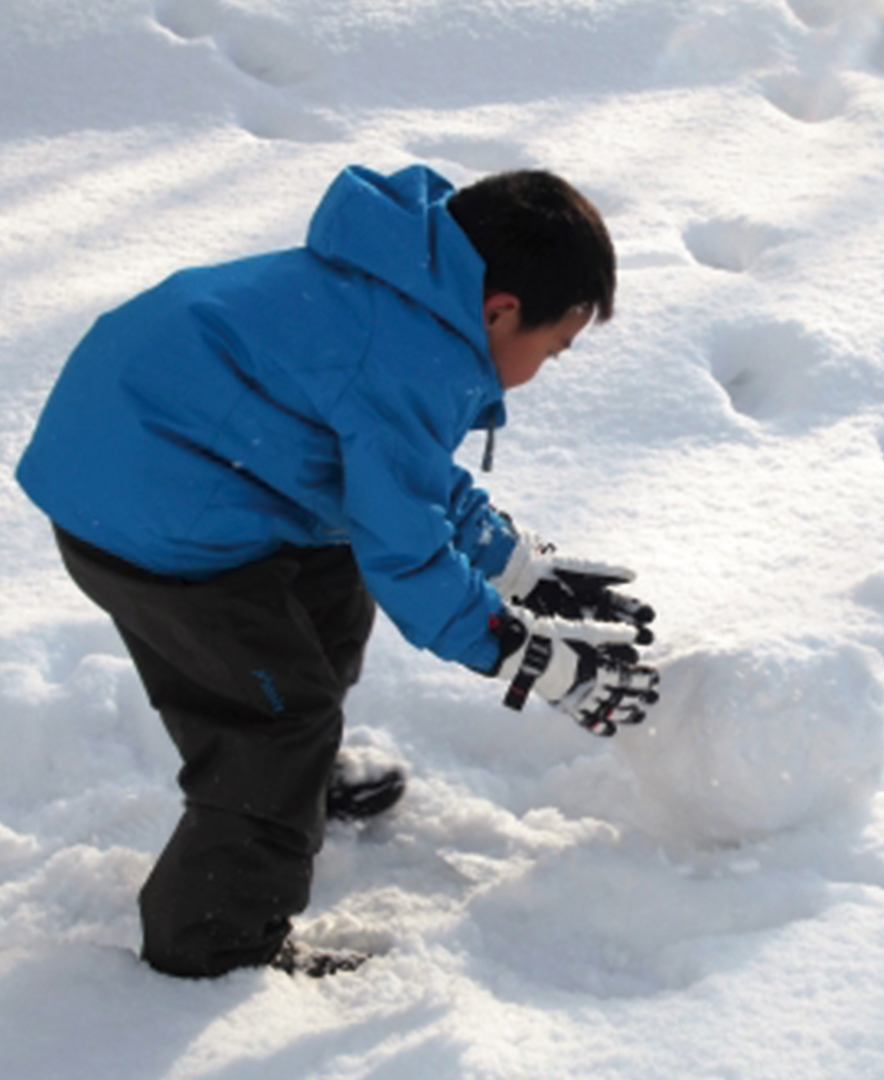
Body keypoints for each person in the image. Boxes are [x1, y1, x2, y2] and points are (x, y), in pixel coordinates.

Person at [15, 164, 659, 979]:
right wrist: (525, 653)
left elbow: (400, 476)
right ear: (501, 310)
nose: (547, 366)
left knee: (330, 601)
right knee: (278, 721)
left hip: (173, 461)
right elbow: (408, 549)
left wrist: (517, 566)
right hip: (154, 517)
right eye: (555, 348)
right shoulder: (414, 355)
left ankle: (293, 786)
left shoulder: (402, 293)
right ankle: (212, 946)